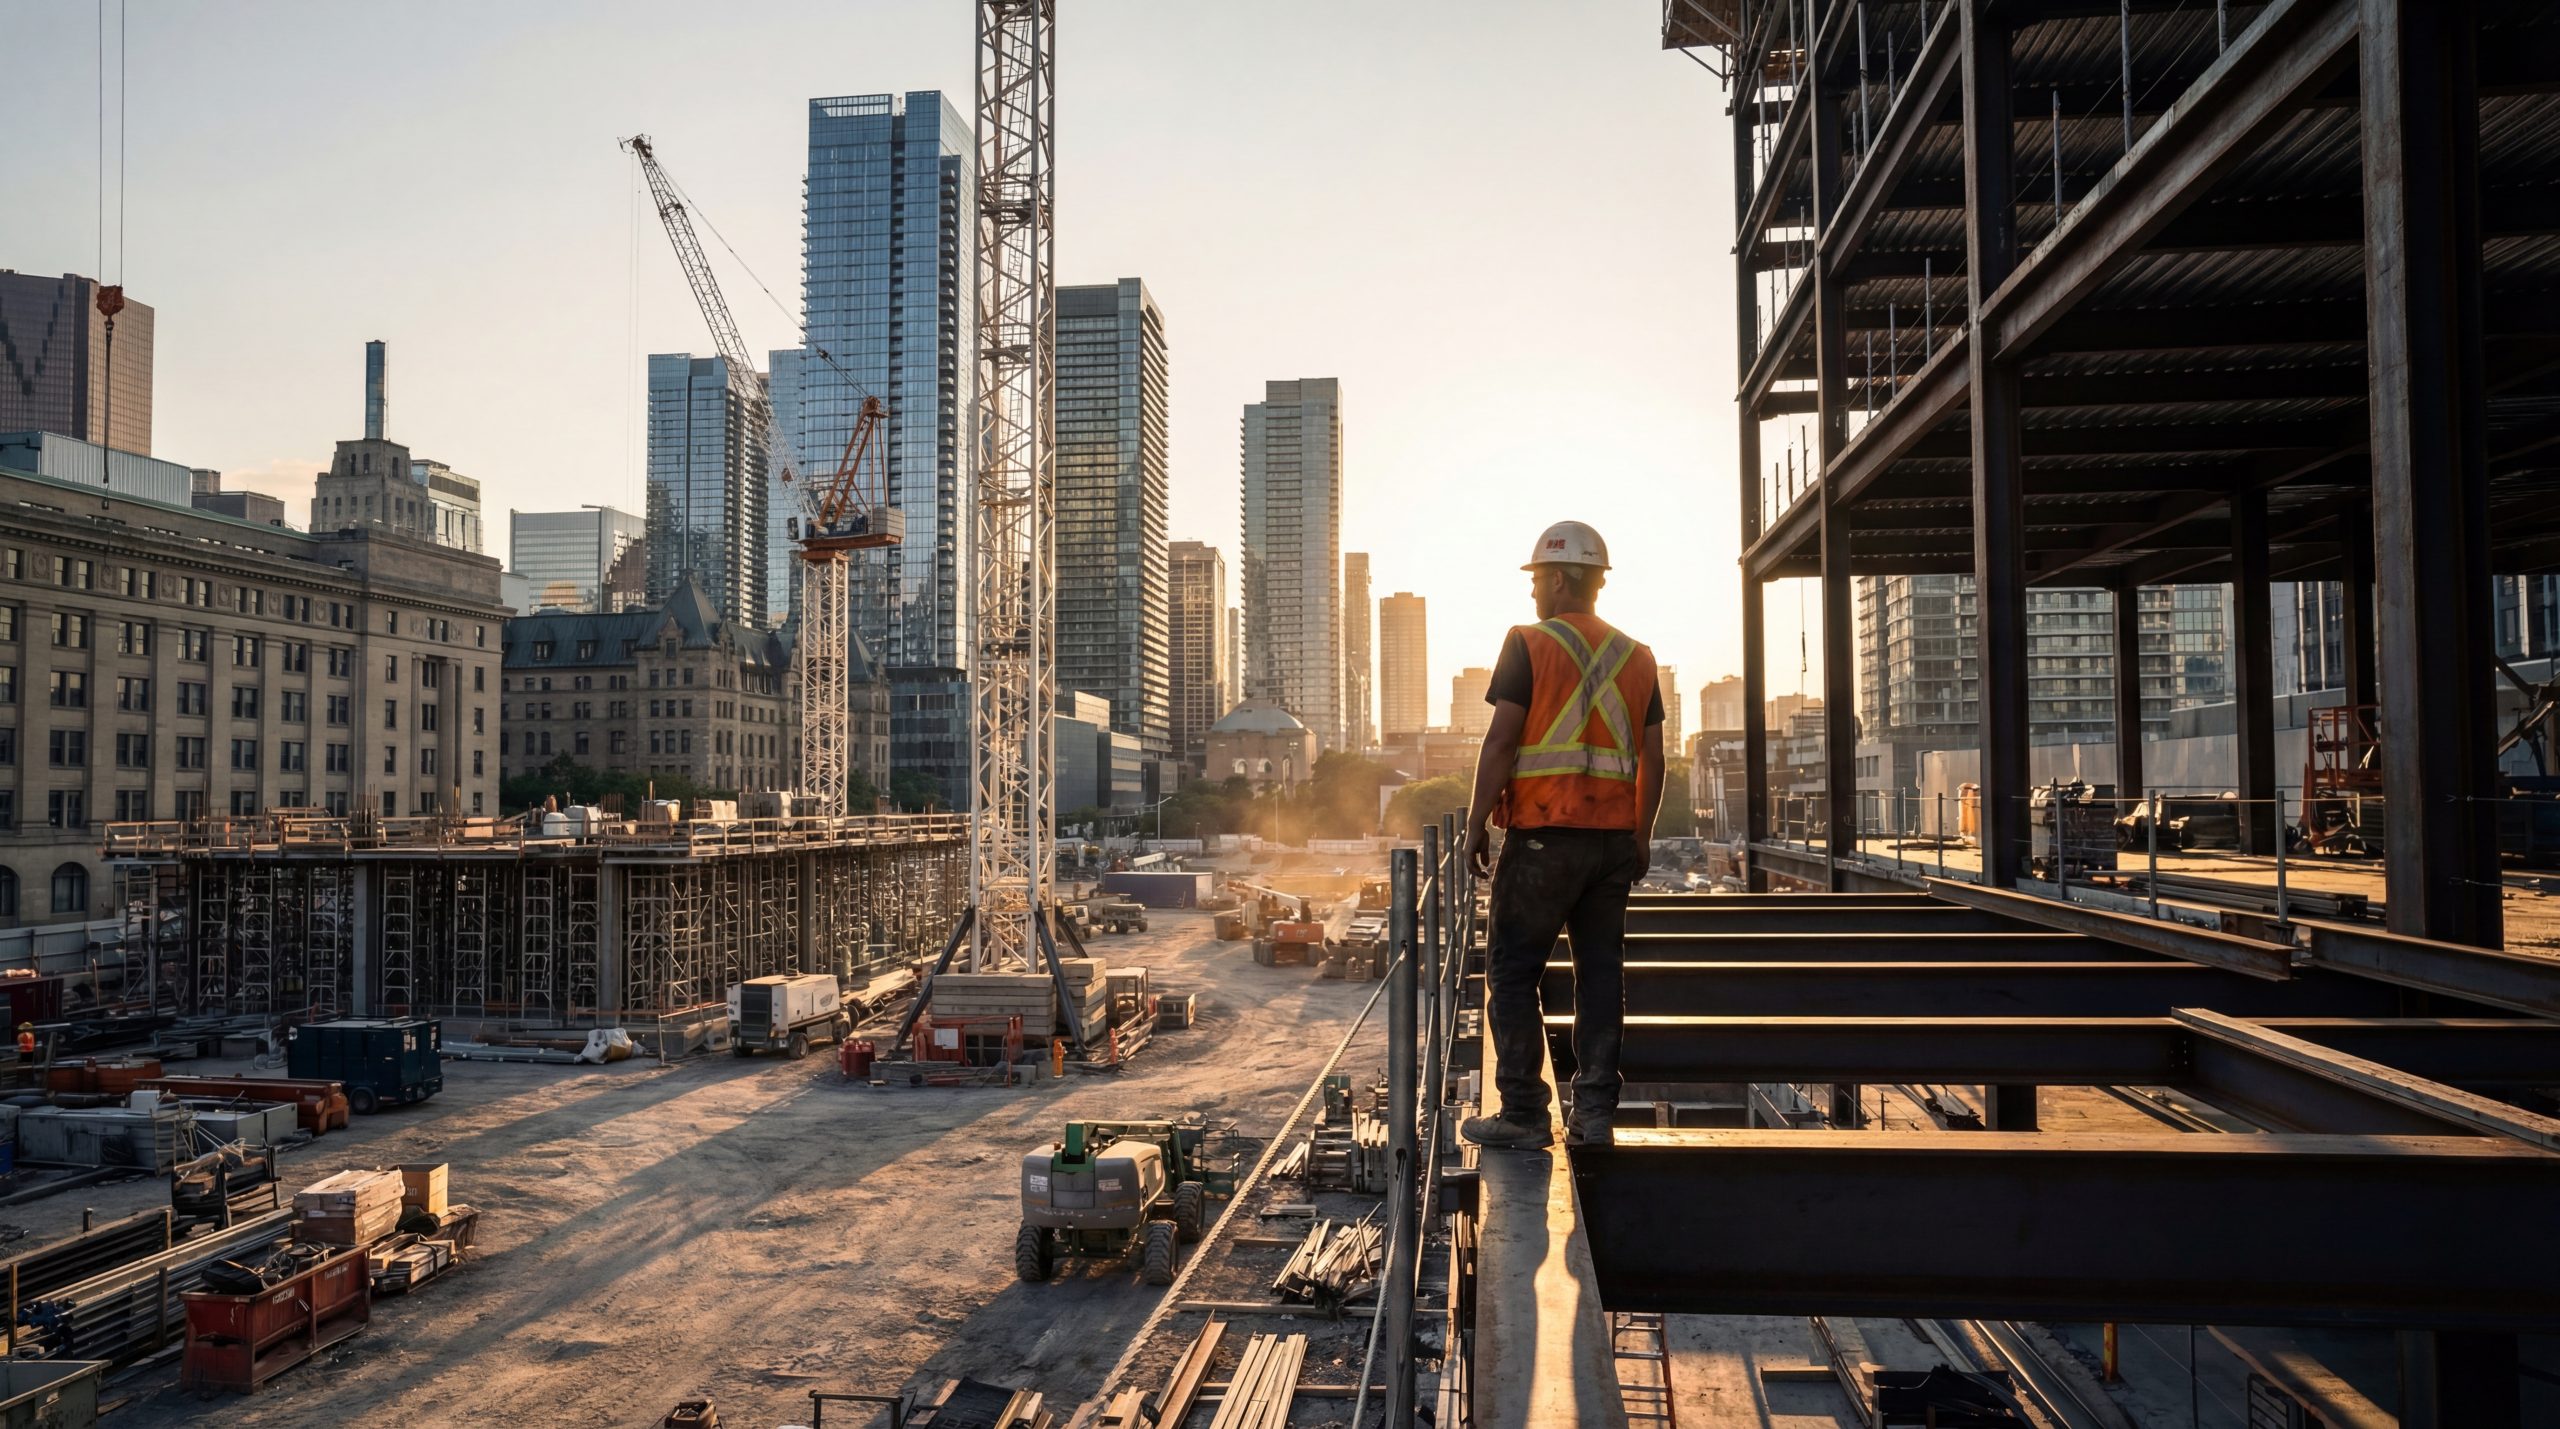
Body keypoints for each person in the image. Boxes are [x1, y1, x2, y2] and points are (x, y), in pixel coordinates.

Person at [1458, 521, 1664, 1150]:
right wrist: (1641, 834)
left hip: (1546, 835)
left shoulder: (1528, 642)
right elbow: (1655, 758)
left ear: (1555, 579)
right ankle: (1594, 1113)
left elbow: (1501, 740)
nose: (1532, 595)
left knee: (1513, 971)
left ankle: (1523, 1111)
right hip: (1609, 843)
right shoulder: (1639, 656)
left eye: (1536, 582)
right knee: (1600, 973)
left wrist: (1473, 824)